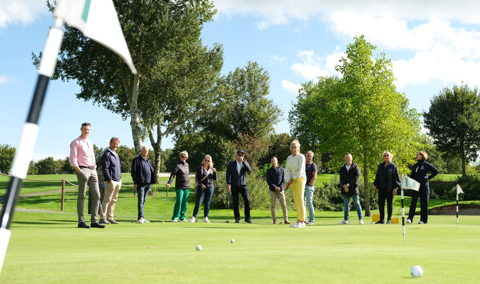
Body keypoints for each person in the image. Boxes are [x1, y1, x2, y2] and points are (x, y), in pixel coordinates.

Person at [69, 122, 104, 229]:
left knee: (97, 195)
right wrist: (80, 171)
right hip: (82, 169)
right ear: (81, 129)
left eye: (88, 129)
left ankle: (94, 221)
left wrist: (94, 167)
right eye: (85, 129)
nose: (86, 131)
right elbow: (72, 160)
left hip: (92, 170)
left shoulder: (90, 142)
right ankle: (81, 221)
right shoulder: (76, 142)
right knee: (82, 195)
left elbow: (92, 157)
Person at [407, 151, 438, 224]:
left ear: (422, 156)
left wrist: (429, 178)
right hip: (415, 186)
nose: (416, 156)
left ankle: (423, 220)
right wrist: (407, 184)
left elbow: (436, 171)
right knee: (413, 202)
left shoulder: (426, 164)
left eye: (418, 155)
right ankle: (410, 218)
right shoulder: (415, 165)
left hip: (424, 185)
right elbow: (412, 176)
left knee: (424, 203)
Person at [373, 151, 401, 224]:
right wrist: (375, 185)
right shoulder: (380, 166)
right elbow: (377, 176)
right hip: (381, 188)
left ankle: (389, 219)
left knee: (389, 204)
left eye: (387, 155)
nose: (385, 157)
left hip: (390, 189)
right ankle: (381, 220)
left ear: (390, 157)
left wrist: (395, 188)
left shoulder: (393, 166)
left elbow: (396, 178)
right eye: (384, 155)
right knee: (381, 204)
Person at [226, 150, 253, 223]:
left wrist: (243, 161)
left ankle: (247, 218)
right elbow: (228, 174)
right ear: (236, 155)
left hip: (243, 185)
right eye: (239, 155)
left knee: (247, 201)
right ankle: (237, 218)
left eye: (242, 155)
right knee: (235, 202)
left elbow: (249, 169)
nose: (241, 156)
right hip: (234, 185)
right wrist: (228, 183)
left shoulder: (245, 163)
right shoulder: (231, 163)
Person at [100, 137, 122, 225]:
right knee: (107, 199)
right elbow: (105, 169)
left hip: (118, 180)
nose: (115, 145)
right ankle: (102, 218)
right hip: (111, 181)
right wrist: (109, 179)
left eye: (117, 144)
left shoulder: (116, 155)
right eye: (114, 143)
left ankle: (110, 217)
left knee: (113, 200)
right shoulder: (107, 154)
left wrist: (120, 179)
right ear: (110, 143)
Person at [285, 140, 306, 228]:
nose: (294, 149)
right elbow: (287, 170)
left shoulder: (301, 156)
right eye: (292, 147)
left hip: (300, 179)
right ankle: (298, 220)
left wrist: (293, 178)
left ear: (298, 148)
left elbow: (301, 169)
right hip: (292, 181)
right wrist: (288, 180)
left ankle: (302, 221)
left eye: (295, 147)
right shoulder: (289, 158)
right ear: (290, 148)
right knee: (296, 201)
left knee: (300, 200)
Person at [131, 145, 155, 224]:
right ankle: (140, 217)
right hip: (141, 183)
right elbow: (133, 172)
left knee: (143, 200)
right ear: (141, 151)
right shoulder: (136, 160)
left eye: (147, 150)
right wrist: (135, 182)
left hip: (148, 183)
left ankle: (141, 217)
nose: (146, 152)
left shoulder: (148, 160)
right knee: (141, 200)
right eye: (144, 150)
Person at [190, 155, 217, 223]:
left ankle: (206, 217)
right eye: (205, 160)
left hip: (210, 187)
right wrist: (200, 184)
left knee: (207, 203)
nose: (206, 161)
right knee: (199, 202)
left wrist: (215, 172)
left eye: (208, 160)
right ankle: (193, 217)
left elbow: (215, 178)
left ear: (210, 161)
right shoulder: (199, 168)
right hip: (201, 187)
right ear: (203, 160)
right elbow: (197, 178)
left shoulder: (211, 169)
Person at [339, 153, 363, 225]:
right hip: (345, 188)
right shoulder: (342, 168)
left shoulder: (356, 167)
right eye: (346, 158)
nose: (348, 159)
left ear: (351, 158)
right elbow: (341, 178)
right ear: (345, 159)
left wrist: (348, 185)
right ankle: (346, 220)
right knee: (346, 204)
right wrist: (344, 186)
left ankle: (360, 219)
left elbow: (356, 178)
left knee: (357, 203)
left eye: (349, 157)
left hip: (354, 188)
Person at [167, 151, 190, 222]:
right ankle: (175, 217)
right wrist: (169, 182)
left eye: (185, 157)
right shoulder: (177, 165)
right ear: (180, 157)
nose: (184, 158)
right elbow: (173, 175)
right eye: (183, 156)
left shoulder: (187, 165)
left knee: (185, 202)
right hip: (179, 186)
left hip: (187, 186)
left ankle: (182, 217)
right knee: (179, 201)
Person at [266, 156, 290, 224]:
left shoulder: (282, 169)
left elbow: (284, 179)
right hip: (272, 190)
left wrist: (280, 187)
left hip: (281, 189)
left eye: (274, 161)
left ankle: (286, 219)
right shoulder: (269, 171)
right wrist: (274, 187)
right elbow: (269, 181)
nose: (273, 162)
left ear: (277, 161)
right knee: (273, 205)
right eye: (272, 161)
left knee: (283, 204)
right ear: (271, 162)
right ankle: (274, 220)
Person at [304, 151, 317, 225]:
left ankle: (311, 220)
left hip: (309, 187)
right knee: (302, 203)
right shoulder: (303, 164)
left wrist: (309, 184)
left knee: (309, 203)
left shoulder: (313, 165)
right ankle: (304, 219)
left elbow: (314, 176)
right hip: (302, 186)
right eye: (308, 156)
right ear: (306, 156)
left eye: (311, 156)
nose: (309, 158)